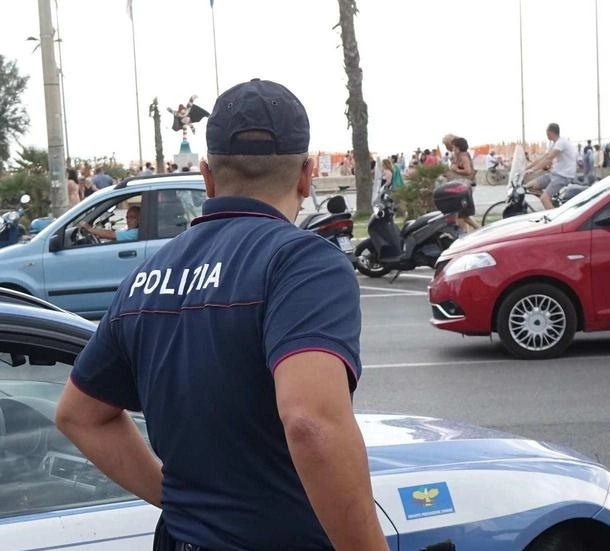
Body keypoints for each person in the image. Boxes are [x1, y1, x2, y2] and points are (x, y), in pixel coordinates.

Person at [55, 79, 389, 551]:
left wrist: (180, 504)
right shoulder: (301, 263)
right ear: (306, 176)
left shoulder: (148, 275)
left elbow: (79, 414)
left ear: (208, 176)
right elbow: (312, 423)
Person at [525, 123, 577, 209]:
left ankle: (556, 219)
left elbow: (549, 158)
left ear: (550, 133)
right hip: (554, 174)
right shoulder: (553, 144)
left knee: (544, 198)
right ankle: (551, 203)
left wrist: (533, 169)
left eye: (547, 133)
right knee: (530, 186)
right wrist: (527, 167)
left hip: (563, 176)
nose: (546, 135)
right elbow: (543, 157)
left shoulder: (561, 142)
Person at [445, 136, 480, 232]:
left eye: (454, 147)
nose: (453, 149)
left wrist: (456, 169)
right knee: (461, 214)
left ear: (458, 147)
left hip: (465, 186)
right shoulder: (459, 156)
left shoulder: (464, 156)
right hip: (462, 186)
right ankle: (465, 231)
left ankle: (477, 229)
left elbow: (468, 171)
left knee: (462, 214)